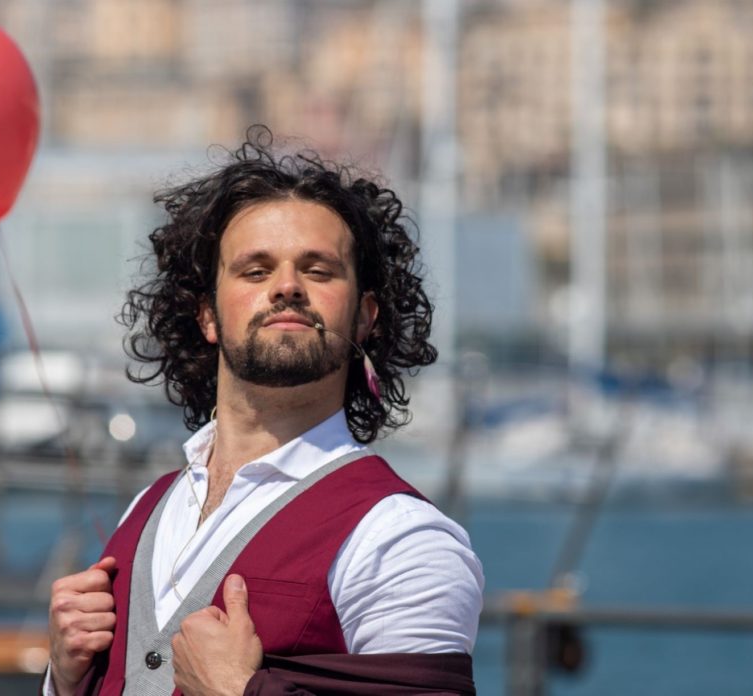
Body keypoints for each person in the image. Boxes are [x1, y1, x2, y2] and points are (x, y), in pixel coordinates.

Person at [45, 126, 484, 696]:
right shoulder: (147, 510)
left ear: (365, 317)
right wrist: (64, 676)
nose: (286, 288)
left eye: (318, 270)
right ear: (206, 315)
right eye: (255, 270)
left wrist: (236, 690)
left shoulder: (402, 542)